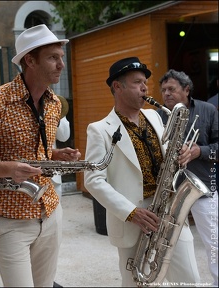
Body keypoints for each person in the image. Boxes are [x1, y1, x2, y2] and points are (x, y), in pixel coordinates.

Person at [0, 24, 81, 287]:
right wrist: (10, 169)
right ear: (30, 60)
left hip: (50, 211)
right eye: (53, 58)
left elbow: (32, 151)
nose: (61, 65)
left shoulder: (54, 103)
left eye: (61, 58)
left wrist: (54, 155)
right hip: (9, 221)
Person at [84, 57, 201, 286]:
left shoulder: (155, 116)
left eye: (145, 82)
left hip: (169, 211)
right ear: (118, 86)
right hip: (133, 218)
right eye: (138, 82)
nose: (145, 88)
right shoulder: (99, 130)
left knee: (190, 280)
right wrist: (131, 212)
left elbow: (168, 156)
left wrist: (182, 155)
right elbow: (93, 180)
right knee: (137, 282)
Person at [157, 69, 218, 286]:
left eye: (171, 89)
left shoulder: (208, 110)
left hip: (202, 188)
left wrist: (198, 152)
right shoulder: (158, 115)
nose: (166, 94)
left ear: (186, 89)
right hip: (171, 190)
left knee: (214, 242)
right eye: (163, 90)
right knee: (168, 242)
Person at [52, 95, 71, 199]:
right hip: (31, 172)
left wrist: (57, 116)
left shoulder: (54, 104)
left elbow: (64, 136)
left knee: (56, 211)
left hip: (53, 175)